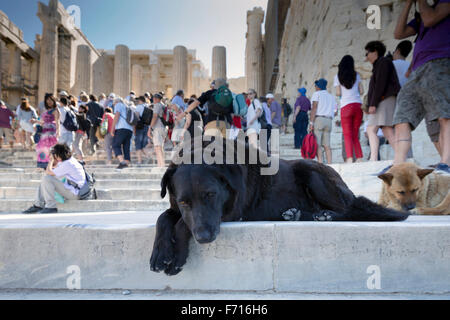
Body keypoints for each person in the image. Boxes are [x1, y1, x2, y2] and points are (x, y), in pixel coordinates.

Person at [393, 0, 450, 173]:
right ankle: (398, 165)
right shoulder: (421, 15)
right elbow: (398, 33)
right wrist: (408, 4)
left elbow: (430, 19)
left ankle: (446, 163)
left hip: (441, 61)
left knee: (444, 115)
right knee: (402, 116)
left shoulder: (445, 3)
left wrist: (421, 1)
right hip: (417, 69)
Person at [23, 144, 86, 214]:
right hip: (73, 190)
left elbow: (49, 172)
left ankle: (51, 207)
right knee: (46, 178)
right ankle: (38, 205)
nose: (53, 156)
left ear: (58, 155)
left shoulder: (68, 164)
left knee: (47, 178)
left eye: (54, 154)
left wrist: (51, 161)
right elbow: (54, 167)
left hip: (74, 194)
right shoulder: (70, 161)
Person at [365, 40, 401, 162]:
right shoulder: (382, 63)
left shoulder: (383, 62)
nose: (366, 57)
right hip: (384, 99)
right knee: (387, 130)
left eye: (367, 53)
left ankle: (374, 159)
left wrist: (373, 103)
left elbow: (380, 84)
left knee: (371, 129)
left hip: (384, 99)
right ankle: (401, 156)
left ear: (374, 51)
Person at [334, 55, 365, 163]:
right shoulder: (357, 75)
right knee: (355, 134)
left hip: (346, 106)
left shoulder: (338, 77)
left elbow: (338, 93)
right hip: (357, 105)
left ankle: (350, 158)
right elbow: (361, 91)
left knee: (347, 134)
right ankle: (360, 157)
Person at [309, 79, 337, 164]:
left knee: (317, 144)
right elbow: (336, 111)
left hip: (319, 119)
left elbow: (314, 108)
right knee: (327, 145)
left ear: (318, 86)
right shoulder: (331, 96)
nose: (315, 87)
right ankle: (329, 163)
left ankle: (320, 162)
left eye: (316, 86)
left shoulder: (316, 94)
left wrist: (311, 122)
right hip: (329, 120)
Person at [33, 93, 60, 169]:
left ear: (53, 100)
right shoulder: (47, 110)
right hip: (45, 133)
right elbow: (43, 122)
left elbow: (57, 122)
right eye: (47, 100)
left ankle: (51, 165)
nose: (49, 101)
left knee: (50, 149)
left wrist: (58, 133)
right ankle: (44, 165)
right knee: (41, 148)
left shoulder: (55, 110)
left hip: (52, 133)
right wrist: (35, 121)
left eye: (51, 100)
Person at [111, 97, 134, 169]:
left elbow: (117, 115)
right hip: (129, 129)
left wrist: (112, 128)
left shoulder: (118, 105)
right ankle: (126, 163)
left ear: (116, 101)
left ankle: (122, 162)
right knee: (126, 147)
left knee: (115, 145)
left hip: (121, 128)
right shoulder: (127, 106)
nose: (113, 105)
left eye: (113, 103)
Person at [148, 93, 167, 167]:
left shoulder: (157, 105)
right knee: (160, 147)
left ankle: (161, 165)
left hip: (157, 127)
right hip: (163, 127)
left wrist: (150, 128)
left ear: (156, 99)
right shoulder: (163, 105)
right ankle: (161, 164)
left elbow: (155, 116)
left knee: (157, 147)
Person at [134, 96, 150, 165]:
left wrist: (134, 128)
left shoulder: (138, 107)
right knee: (143, 145)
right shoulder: (148, 106)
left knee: (138, 145)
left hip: (140, 127)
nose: (137, 101)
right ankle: (148, 156)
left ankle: (139, 161)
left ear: (140, 100)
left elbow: (136, 118)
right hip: (146, 127)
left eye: (138, 100)